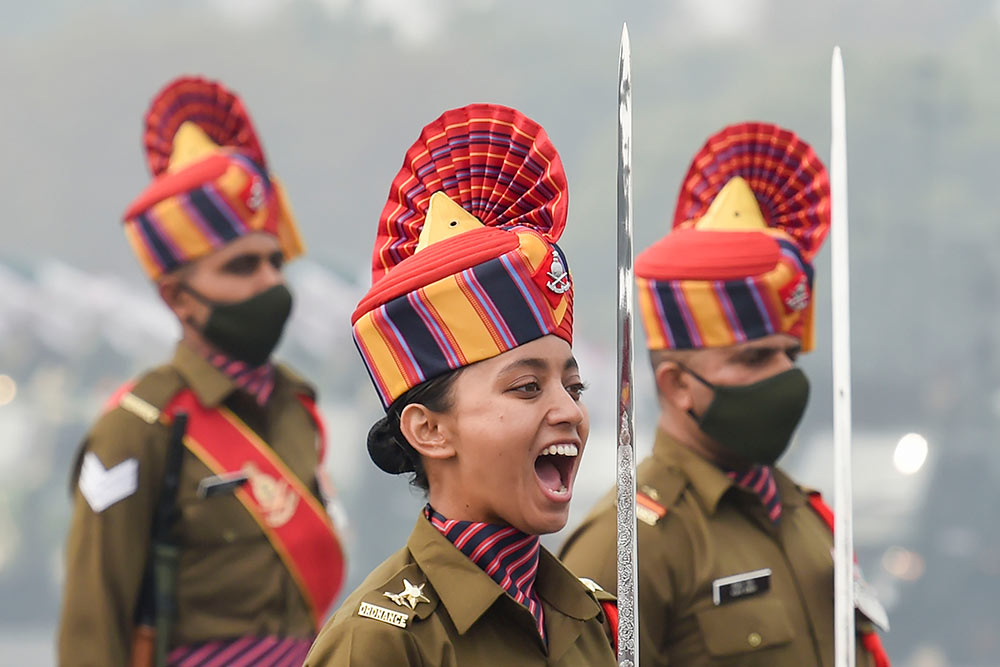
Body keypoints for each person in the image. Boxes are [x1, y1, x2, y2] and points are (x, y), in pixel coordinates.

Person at [560, 122, 890, 666]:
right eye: (754, 358)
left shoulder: (806, 515)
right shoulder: (629, 544)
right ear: (677, 385)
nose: (784, 376)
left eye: (790, 354)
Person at [304, 104, 617, 666]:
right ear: (428, 429)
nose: (567, 410)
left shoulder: (598, 623)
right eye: (526, 388)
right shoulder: (379, 644)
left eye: (574, 387)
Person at [58, 76, 346, 667]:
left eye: (274, 262)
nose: (270, 283)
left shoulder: (297, 409)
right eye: (241, 267)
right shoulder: (137, 429)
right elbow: (95, 622)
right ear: (178, 298)